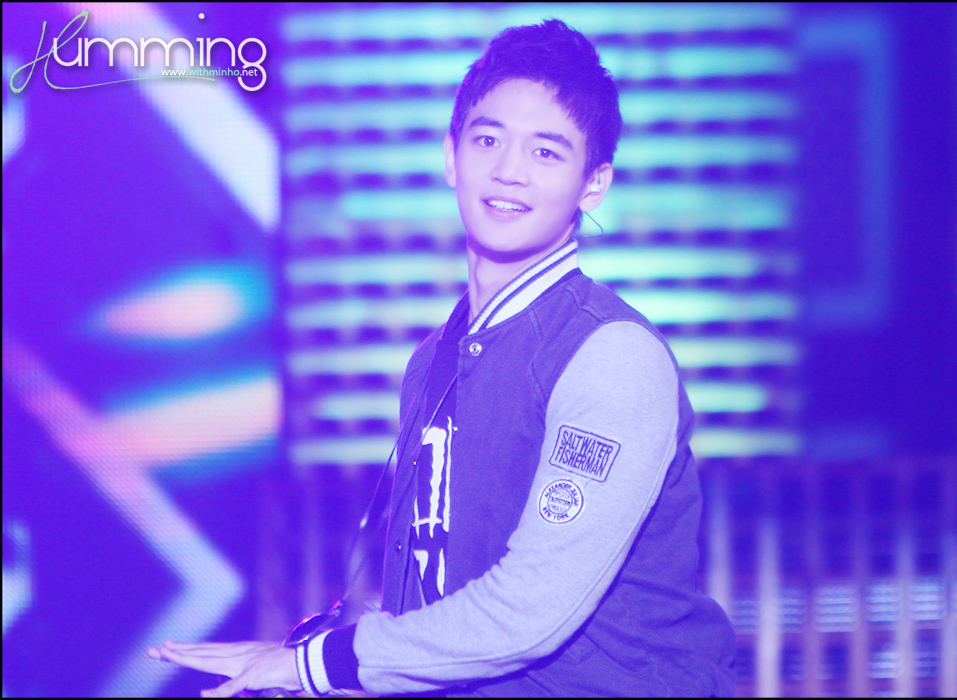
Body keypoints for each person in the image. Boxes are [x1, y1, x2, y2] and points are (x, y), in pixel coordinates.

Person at [148, 18, 736, 697]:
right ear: (452, 156)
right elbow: (432, 615)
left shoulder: (612, 355)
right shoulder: (434, 360)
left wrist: (319, 664)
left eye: (547, 152)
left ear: (594, 184)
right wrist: (306, 663)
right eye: (488, 140)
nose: (509, 170)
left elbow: (529, 613)